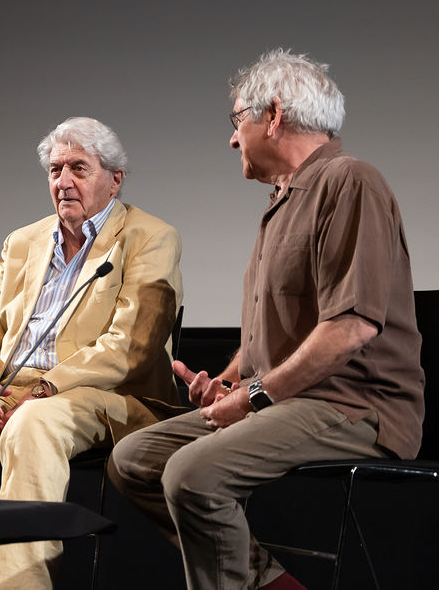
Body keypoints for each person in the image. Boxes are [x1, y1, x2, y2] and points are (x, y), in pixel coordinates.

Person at [108, 49, 425, 590]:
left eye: (238, 121)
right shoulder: (281, 203)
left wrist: (253, 398)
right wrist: (231, 381)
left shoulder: (350, 182)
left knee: (192, 475)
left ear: (274, 115)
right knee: (135, 458)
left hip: (355, 406)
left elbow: (351, 328)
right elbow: (267, 340)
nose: (233, 139)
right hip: (289, 399)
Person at [0, 116, 183, 589]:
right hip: (8, 392)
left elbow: (130, 347)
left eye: (78, 169)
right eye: (55, 169)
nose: (63, 181)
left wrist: (47, 387)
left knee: (33, 420)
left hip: (104, 393)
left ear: (115, 179)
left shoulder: (150, 236)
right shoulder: (22, 241)